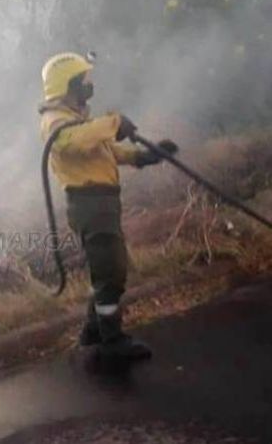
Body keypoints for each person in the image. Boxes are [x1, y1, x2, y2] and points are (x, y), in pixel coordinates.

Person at [38, 52, 179, 359]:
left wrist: (142, 157)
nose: (89, 86)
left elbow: (104, 150)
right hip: (90, 205)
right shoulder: (56, 122)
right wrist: (113, 122)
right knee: (111, 271)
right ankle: (112, 342)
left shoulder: (76, 119)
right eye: (83, 80)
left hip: (101, 203)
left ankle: (92, 332)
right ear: (69, 83)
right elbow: (69, 141)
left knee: (106, 270)